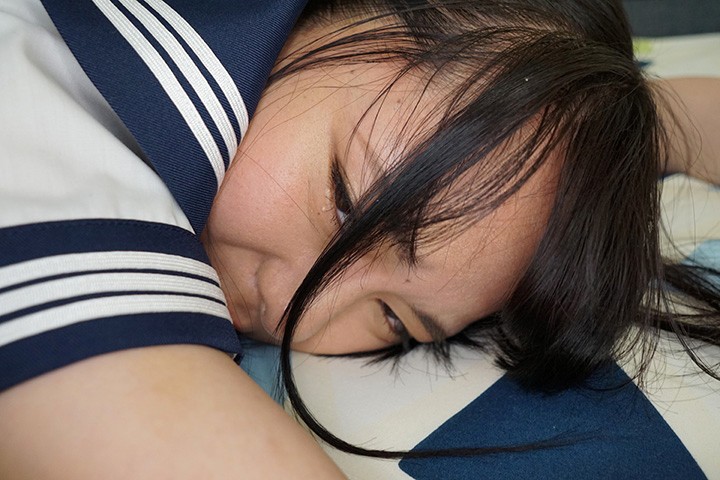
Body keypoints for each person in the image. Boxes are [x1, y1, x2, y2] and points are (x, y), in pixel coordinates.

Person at [0, 0, 718, 477]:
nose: (296, 312)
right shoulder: (45, 122)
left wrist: (637, 122)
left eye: (394, 322)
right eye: (347, 205)